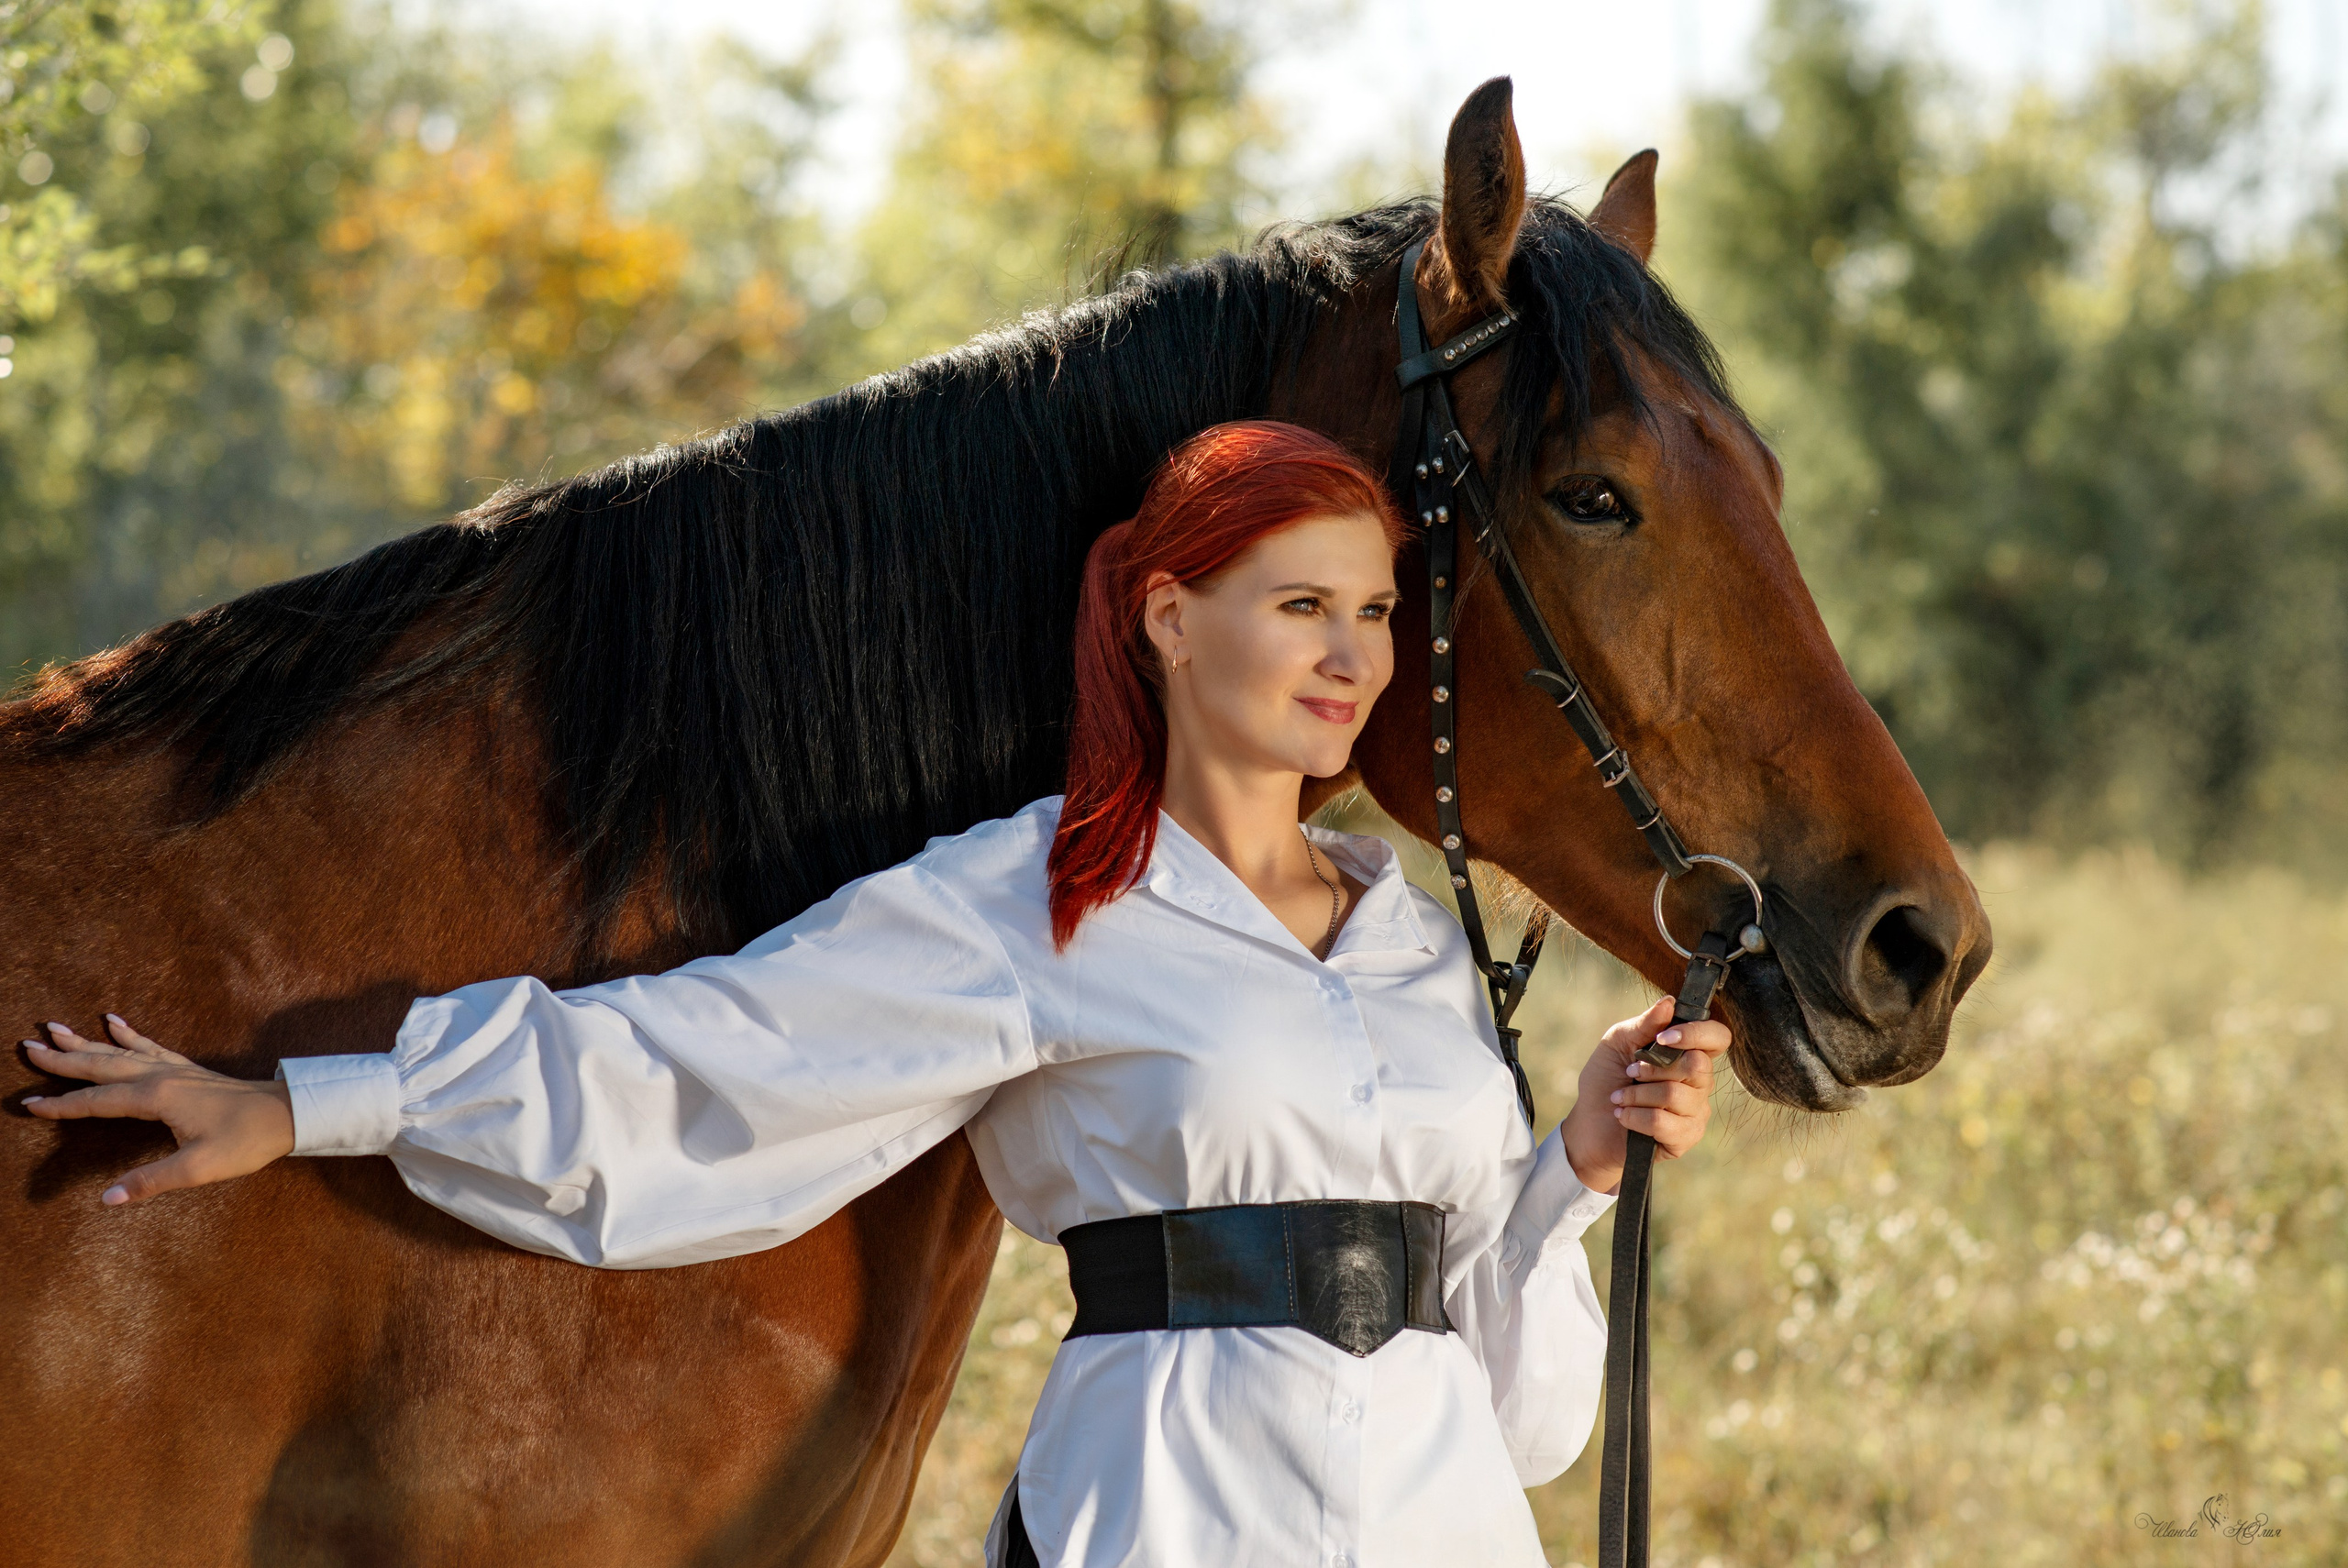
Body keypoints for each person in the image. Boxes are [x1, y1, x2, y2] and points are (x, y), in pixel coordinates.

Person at [23, 420, 1729, 1568]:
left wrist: (1570, 1167)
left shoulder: (1418, 942)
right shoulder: (1040, 899)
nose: (1354, 655)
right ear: (1168, 616)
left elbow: (1515, 1408)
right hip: (1169, 1517)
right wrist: (310, 1103)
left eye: (1372, 609)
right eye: (1301, 606)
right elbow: (709, 1062)